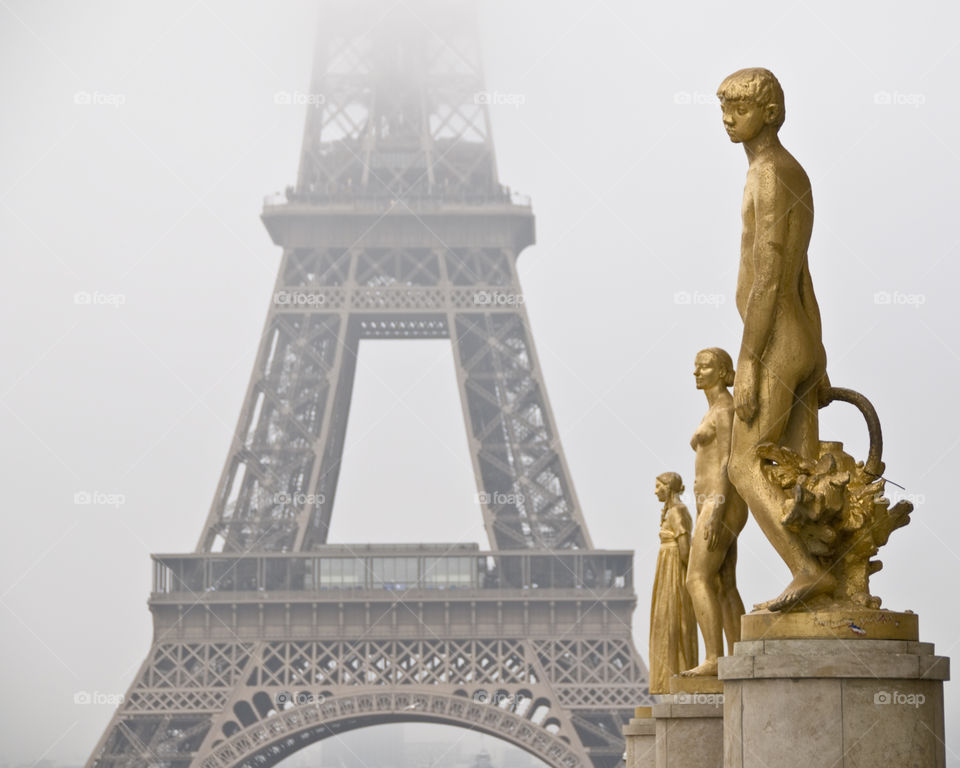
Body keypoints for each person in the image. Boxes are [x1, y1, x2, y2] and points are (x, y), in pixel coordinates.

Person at [718, 68, 833, 612]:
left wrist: (746, 360)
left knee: (743, 465)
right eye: (724, 107)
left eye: (739, 107)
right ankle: (826, 591)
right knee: (804, 481)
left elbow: (770, 272)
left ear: (769, 112)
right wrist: (820, 353)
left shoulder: (766, 173)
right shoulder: (795, 171)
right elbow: (804, 273)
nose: (727, 117)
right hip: (800, 338)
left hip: (774, 345)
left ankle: (807, 571)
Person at [682, 348, 747, 677]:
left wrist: (717, 511)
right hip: (713, 502)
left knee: (696, 578)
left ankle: (712, 658)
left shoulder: (725, 409)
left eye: (704, 367)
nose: (696, 372)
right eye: (695, 367)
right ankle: (737, 654)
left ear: (723, 373)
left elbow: (727, 461)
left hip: (720, 502)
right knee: (723, 582)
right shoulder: (715, 409)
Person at [649, 472, 698, 694]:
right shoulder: (671, 511)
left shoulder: (678, 512)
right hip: (667, 568)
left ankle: (678, 673)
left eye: (658, 486)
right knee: (666, 621)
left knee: (674, 619)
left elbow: (686, 550)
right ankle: (671, 676)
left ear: (668, 488)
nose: (655, 490)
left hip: (674, 570)